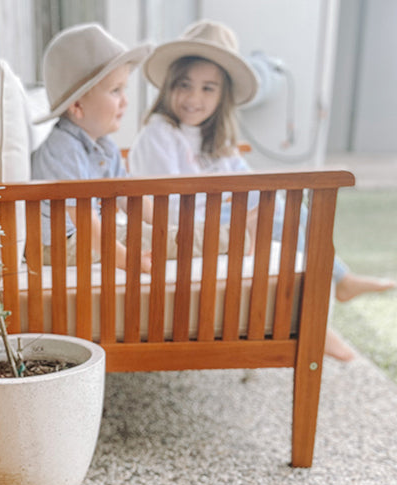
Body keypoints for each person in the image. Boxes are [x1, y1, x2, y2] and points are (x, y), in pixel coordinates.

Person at [130, 19, 395, 360]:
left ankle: (336, 284)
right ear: (169, 86)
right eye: (185, 85)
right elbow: (166, 197)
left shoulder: (216, 138)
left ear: (223, 95)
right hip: (188, 223)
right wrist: (243, 208)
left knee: (284, 207)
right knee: (278, 212)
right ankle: (324, 312)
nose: (194, 98)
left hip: (215, 212)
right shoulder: (159, 132)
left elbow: (247, 182)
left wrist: (258, 206)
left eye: (208, 88)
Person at [31, 23, 153, 271]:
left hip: (85, 235)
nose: (125, 101)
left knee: (165, 237)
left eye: (124, 89)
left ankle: (204, 235)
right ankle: (220, 239)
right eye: (115, 90)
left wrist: (164, 223)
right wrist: (126, 260)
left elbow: (129, 199)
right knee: (167, 243)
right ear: (77, 106)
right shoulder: (63, 148)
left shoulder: (105, 146)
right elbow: (84, 220)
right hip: (56, 245)